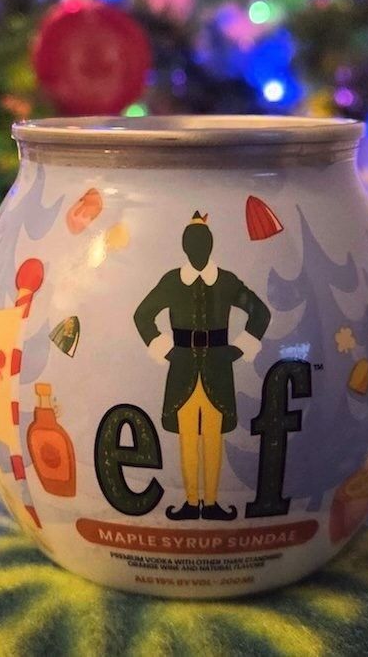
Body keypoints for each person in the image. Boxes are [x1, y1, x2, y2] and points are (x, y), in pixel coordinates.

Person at [133, 212, 271, 520]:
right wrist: (164, 348)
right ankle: (191, 501)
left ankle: (210, 503)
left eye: (202, 243)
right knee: (187, 437)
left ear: (210, 247)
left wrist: (240, 347)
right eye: (193, 244)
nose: (198, 250)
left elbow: (259, 312)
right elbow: (143, 314)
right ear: (185, 247)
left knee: (212, 435)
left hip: (217, 367)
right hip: (182, 367)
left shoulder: (226, 281)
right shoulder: (172, 282)